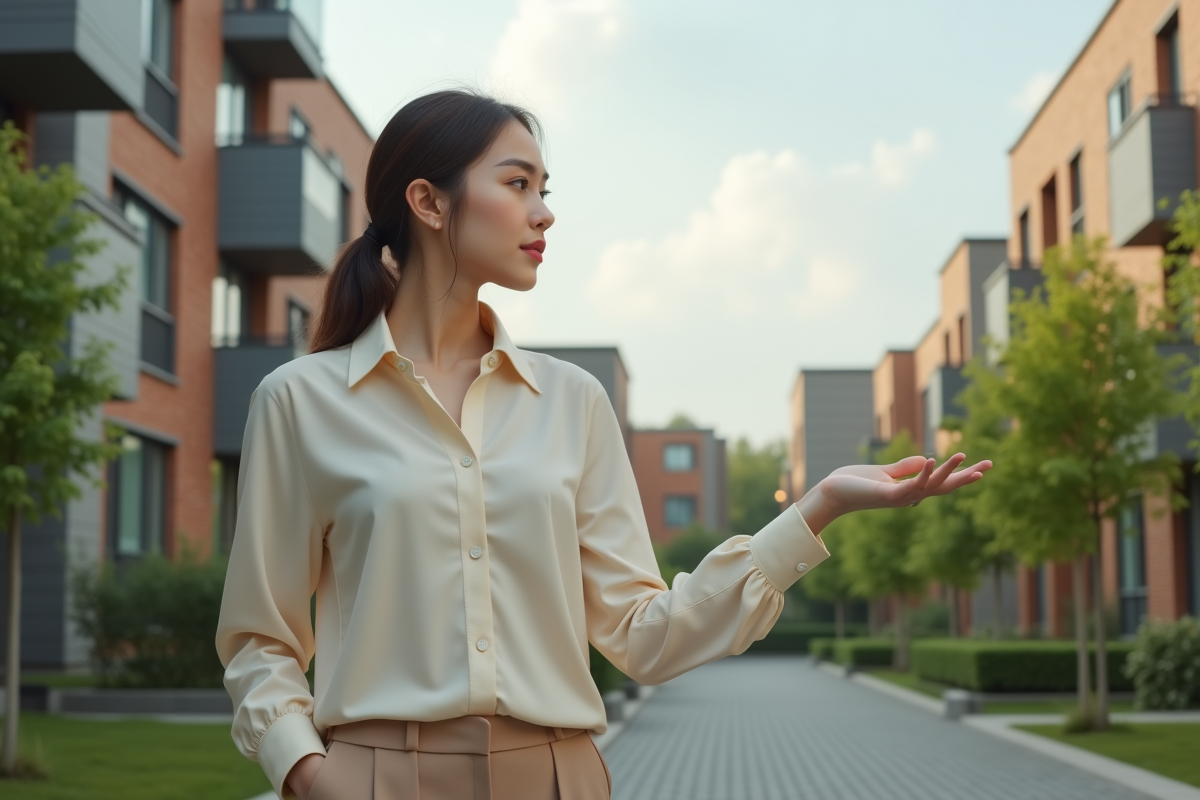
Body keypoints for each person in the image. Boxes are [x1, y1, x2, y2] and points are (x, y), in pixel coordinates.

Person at [215, 90, 991, 800]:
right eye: (518, 184)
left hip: (559, 777)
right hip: (372, 780)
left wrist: (817, 509)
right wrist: (308, 773)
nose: (543, 213)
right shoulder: (300, 402)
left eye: (544, 190)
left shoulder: (573, 403)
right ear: (428, 201)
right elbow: (260, 637)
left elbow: (645, 635)